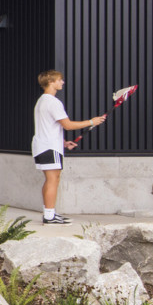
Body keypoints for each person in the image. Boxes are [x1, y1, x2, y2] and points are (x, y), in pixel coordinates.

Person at [31, 69, 106, 225]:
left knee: (50, 179)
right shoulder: (53, 102)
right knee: (53, 179)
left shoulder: (42, 101)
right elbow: (68, 125)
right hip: (49, 147)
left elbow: (49, 126)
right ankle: (49, 216)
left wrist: (64, 143)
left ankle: (49, 213)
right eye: (59, 80)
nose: (62, 82)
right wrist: (92, 121)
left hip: (43, 145)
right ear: (51, 82)